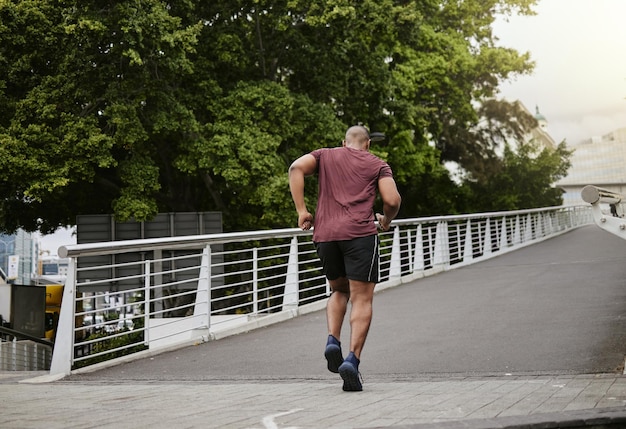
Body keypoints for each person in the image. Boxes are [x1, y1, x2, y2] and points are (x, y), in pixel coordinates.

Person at [288, 125, 401, 391]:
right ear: (368, 144)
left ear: (344, 142)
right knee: (361, 299)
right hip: (360, 236)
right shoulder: (378, 165)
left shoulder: (325, 155)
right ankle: (352, 360)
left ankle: (332, 340)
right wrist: (385, 219)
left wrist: (302, 211)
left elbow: (295, 168)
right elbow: (392, 200)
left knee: (338, 290)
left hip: (326, 236)